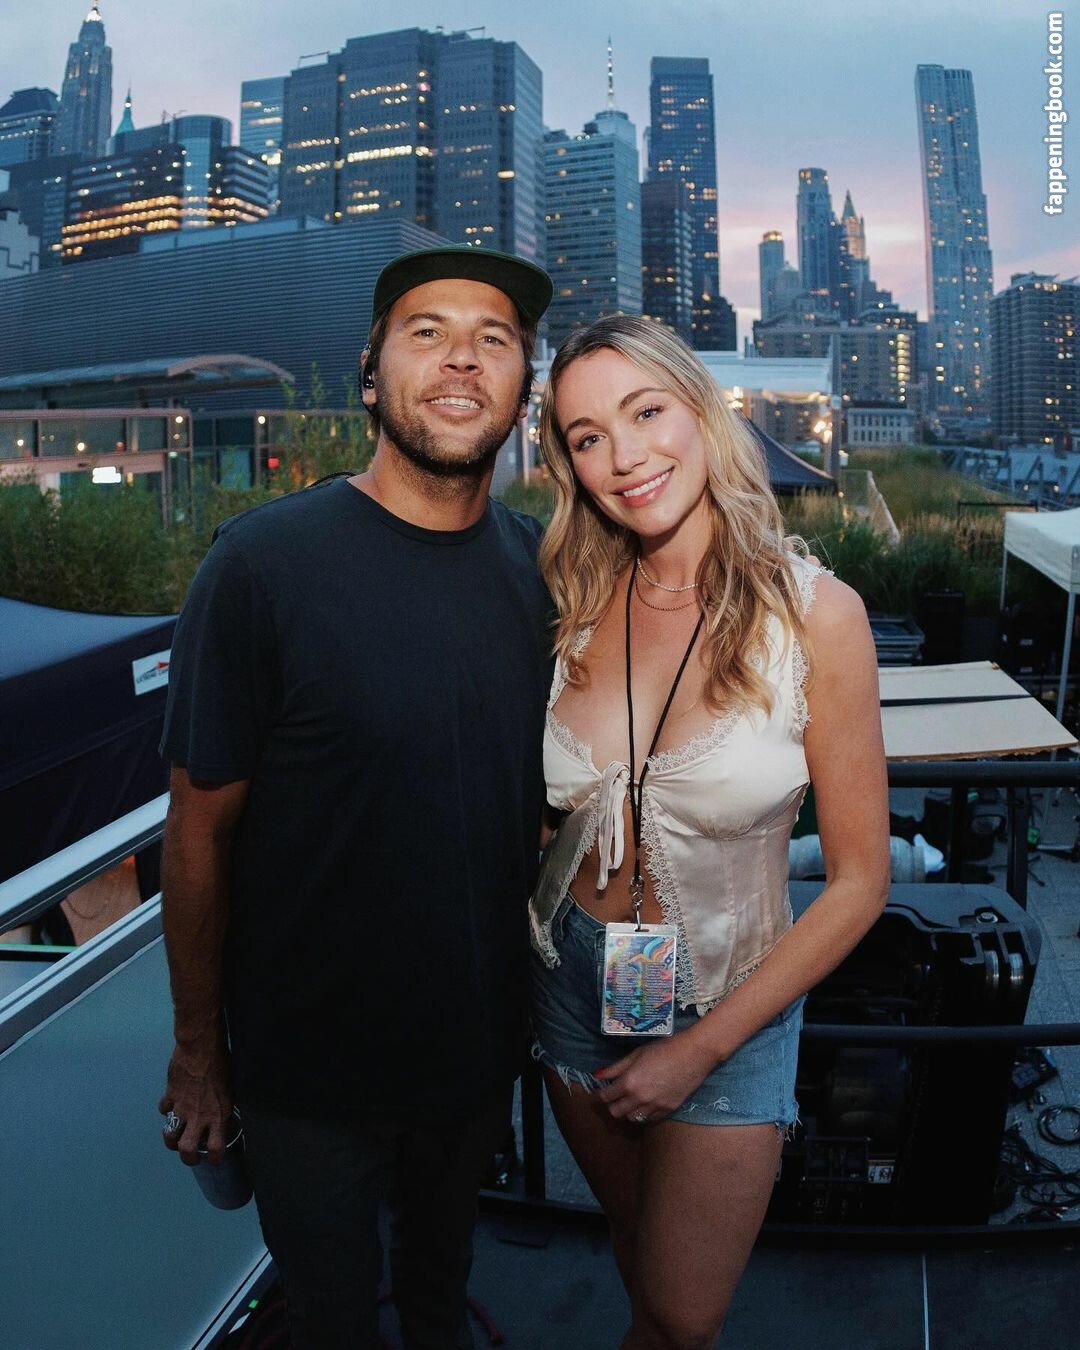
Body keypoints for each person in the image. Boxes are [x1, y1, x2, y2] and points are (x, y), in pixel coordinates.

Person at [157, 245, 554, 1350]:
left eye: (494, 339)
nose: (463, 358)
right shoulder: (261, 567)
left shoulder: (541, 570)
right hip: (308, 1075)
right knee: (331, 1323)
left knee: (439, 1293)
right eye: (428, 332)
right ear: (371, 379)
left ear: (522, 389)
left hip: (474, 1057)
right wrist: (199, 1053)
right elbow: (197, 834)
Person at [529, 315, 890, 1349]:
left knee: (685, 1316)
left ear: (702, 411)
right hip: (571, 978)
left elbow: (861, 881)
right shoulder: (572, 597)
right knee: (640, 1256)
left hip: (730, 1000)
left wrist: (699, 1049)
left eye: (645, 412)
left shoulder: (817, 615)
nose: (624, 456)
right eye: (588, 436)